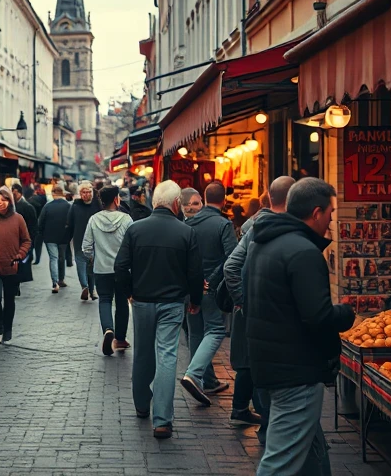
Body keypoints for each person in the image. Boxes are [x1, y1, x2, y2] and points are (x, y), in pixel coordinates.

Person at [245, 177, 355, 476]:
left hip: (271, 364)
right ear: (316, 213)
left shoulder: (262, 243)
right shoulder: (304, 252)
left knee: (311, 453)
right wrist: (346, 313)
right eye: (331, 214)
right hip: (295, 370)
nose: (331, 222)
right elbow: (318, 316)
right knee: (281, 461)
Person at [114, 180, 203, 440]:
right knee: (167, 356)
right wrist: (195, 300)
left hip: (142, 301)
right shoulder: (186, 232)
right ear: (177, 204)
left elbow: (120, 267)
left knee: (142, 351)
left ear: (155, 203)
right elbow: (195, 272)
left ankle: (142, 404)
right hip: (173, 302)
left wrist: (129, 292)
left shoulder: (136, 230)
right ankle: (162, 420)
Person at [223, 176, 295, 435]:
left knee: (252, 364)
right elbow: (231, 267)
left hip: (258, 313)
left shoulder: (256, 226)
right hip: (260, 314)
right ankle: (262, 424)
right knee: (254, 365)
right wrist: (244, 301)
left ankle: (252, 417)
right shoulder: (261, 227)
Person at [181, 182, 237, 405]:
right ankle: (194, 374)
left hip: (191, 288)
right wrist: (211, 281)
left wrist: (191, 282)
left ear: (204, 199)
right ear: (223, 201)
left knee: (195, 333)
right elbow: (232, 258)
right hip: (211, 290)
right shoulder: (223, 224)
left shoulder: (190, 224)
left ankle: (203, 381)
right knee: (215, 330)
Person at [82, 186, 133, 355]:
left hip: (101, 268)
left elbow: (86, 247)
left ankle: (107, 330)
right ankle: (120, 339)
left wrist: (94, 258)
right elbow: (133, 245)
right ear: (116, 199)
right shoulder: (126, 219)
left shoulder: (94, 219)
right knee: (121, 302)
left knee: (104, 300)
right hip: (122, 269)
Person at [0, 187, 31, 345]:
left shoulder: (18, 218)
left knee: (10, 300)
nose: (0, 203)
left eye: (4, 200)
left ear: (10, 201)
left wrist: (21, 254)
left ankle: (8, 330)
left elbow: (26, 240)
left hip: (12, 266)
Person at [66, 181, 101, 301]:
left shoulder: (98, 206)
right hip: (79, 240)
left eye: (88, 192)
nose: (86, 194)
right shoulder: (75, 206)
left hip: (95, 241)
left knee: (92, 266)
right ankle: (85, 287)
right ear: (80, 194)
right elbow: (70, 224)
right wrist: (67, 239)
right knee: (81, 264)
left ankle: (93, 289)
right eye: (83, 192)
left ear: (92, 192)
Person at [37, 185, 71, 293]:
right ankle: (61, 279)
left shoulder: (47, 206)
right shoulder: (68, 206)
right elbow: (71, 221)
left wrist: (41, 234)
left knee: (53, 258)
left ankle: (55, 282)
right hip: (64, 236)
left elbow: (40, 222)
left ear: (53, 193)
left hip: (49, 236)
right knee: (62, 258)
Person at [27, 187, 47, 263]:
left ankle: (31, 256)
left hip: (32, 224)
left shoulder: (30, 201)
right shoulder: (44, 200)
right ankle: (37, 259)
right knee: (38, 244)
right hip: (40, 224)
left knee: (31, 242)